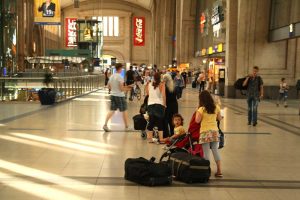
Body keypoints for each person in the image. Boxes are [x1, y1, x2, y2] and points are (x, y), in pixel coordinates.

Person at [195, 90, 223, 177]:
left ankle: (207, 170)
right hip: (214, 131)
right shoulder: (216, 107)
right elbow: (219, 118)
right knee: (215, 150)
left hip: (205, 132)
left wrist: (197, 111)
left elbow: (197, 121)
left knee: (206, 152)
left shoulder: (201, 109)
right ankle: (219, 170)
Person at [103, 63, 133, 132]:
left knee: (112, 110)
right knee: (124, 110)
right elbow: (121, 89)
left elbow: (109, 87)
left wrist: (115, 89)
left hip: (113, 95)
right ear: (120, 68)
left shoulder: (112, 76)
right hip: (120, 96)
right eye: (122, 68)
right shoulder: (120, 77)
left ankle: (105, 125)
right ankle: (126, 127)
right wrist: (128, 88)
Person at [145, 72, 166, 143]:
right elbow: (163, 95)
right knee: (160, 122)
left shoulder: (149, 84)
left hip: (150, 104)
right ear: (160, 77)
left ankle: (150, 139)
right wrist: (164, 104)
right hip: (159, 104)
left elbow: (147, 94)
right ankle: (161, 139)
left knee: (151, 121)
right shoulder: (162, 84)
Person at [162, 73, 178, 137]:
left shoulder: (164, 87)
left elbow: (163, 96)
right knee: (173, 120)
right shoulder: (174, 86)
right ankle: (173, 134)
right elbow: (177, 95)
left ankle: (166, 134)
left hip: (167, 105)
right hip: (174, 105)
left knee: (166, 120)